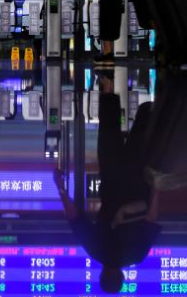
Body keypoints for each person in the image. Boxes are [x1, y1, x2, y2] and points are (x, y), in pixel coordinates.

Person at [53, 70, 162, 294]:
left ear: (121, 277)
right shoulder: (96, 250)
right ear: (102, 274)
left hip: (139, 174)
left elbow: (151, 217)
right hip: (111, 173)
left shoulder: (137, 255)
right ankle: (107, 74)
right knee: (109, 123)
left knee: (146, 116)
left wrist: (157, 185)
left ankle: (161, 77)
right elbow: (74, 218)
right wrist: (61, 188)